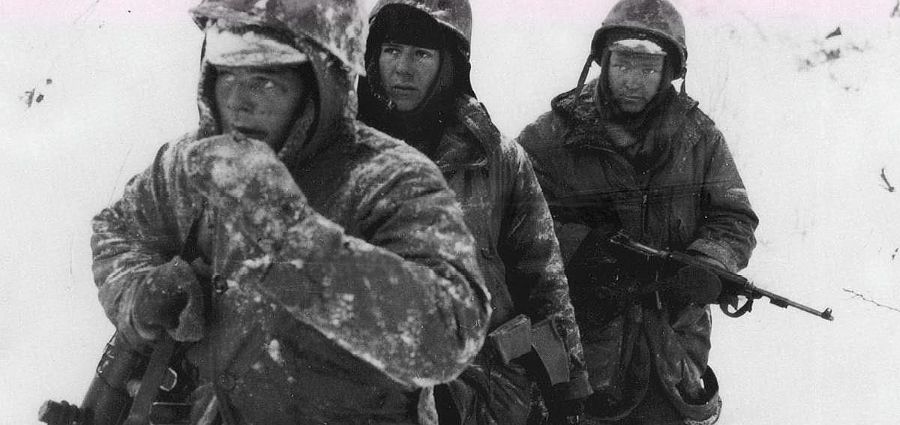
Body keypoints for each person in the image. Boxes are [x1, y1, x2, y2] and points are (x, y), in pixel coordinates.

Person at [89, 0, 493, 423]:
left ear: (321, 85)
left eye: (265, 82)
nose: (239, 101)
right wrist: (139, 291)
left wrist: (294, 239)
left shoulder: (392, 179)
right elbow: (118, 231)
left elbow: (449, 337)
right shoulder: (193, 163)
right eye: (227, 74)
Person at [516, 0, 759, 424]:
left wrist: (705, 262)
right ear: (603, 62)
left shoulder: (699, 138)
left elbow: (733, 217)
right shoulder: (550, 136)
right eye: (623, 64)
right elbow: (514, 219)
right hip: (576, 350)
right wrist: (585, 249)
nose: (633, 81)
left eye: (648, 69)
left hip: (671, 351)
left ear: (668, 72)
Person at [357, 1, 591, 424]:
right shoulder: (339, 151)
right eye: (392, 50)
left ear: (449, 64)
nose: (403, 69)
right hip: (362, 390)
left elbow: (542, 276)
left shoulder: (496, 159)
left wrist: (567, 387)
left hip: (477, 394)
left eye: (421, 54)